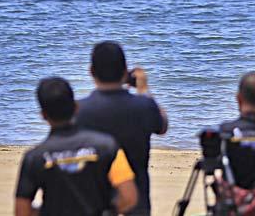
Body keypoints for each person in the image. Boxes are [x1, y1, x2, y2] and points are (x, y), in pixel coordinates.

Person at [15, 77, 137, 216]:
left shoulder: (34, 158)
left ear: (43, 115)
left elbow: (21, 211)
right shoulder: (107, 146)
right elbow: (129, 197)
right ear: (76, 107)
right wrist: (106, 212)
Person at [75, 41, 168, 216]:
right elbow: (162, 126)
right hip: (137, 203)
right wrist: (144, 89)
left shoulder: (78, 111)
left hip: (94, 203)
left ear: (91, 71)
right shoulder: (144, 106)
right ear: (125, 72)